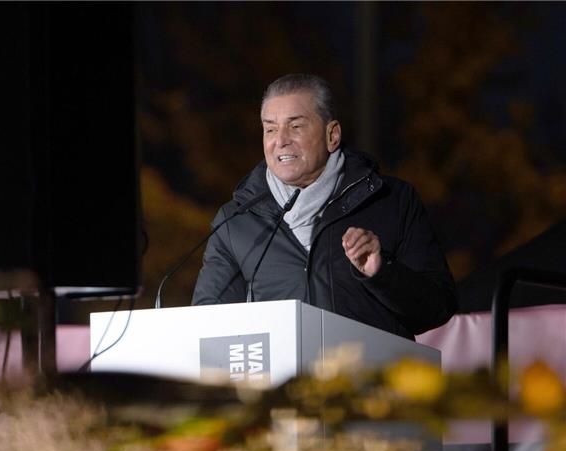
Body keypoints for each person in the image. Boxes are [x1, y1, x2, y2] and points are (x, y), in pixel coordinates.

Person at [192, 74, 457, 339]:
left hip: (370, 378)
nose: (280, 140)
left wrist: (382, 272)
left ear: (332, 135)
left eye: (295, 126)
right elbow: (209, 325)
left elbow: (439, 307)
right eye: (270, 129)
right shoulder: (235, 221)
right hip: (280, 380)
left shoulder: (392, 200)